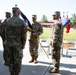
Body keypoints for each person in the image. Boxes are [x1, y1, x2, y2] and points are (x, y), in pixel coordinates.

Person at [2, 6, 27, 75]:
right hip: (17, 45)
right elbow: (24, 35)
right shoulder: (21, 22)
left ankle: (12, 73)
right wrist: (23, 44)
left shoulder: (6, 21)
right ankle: (16, 73)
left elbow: (2, 32)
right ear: (18, 13)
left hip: (8, 45)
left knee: (10, 60)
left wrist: (5, 41)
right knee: (18, 60)